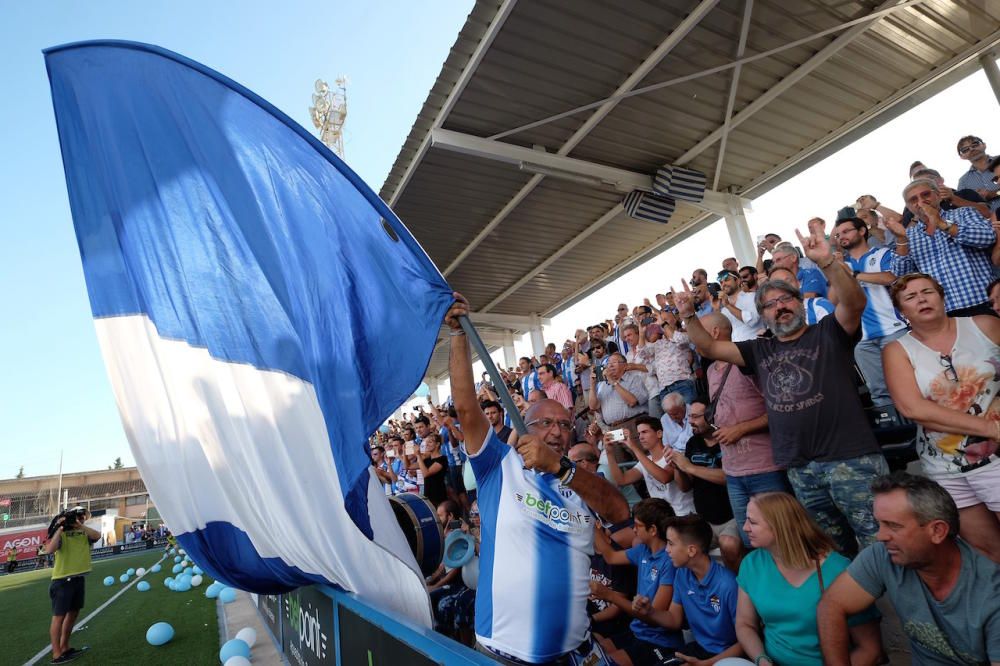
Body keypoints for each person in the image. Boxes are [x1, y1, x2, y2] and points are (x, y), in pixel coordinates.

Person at [676, 227, 888, 557]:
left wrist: (828, 262)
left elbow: (854, 302)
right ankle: (859, 609)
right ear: (763, 316)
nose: (779, 307)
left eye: (785, 299)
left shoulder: (827, 332)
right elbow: (707, 345)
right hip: (800, 469)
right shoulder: (759, 350)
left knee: (883, 544)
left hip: (851, 460)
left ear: (799, 301)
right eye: (770, 304)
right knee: (832, 553)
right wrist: (688, 315)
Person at [446, 292, 628, 664]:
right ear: (524, 429)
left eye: (564, 424)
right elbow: (466, 408)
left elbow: (619, 509)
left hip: (576, 653)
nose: (558, 432)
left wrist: (561, 468)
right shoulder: (498, 465)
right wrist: (458, 336)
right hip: (505, 653)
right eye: (546, 423)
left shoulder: (577, 479)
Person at [818, 472, 1000, 665]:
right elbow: (831, 605)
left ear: (937, 531)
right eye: (879, 523)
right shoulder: (884, 555)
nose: (880, 536)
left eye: (893, 526)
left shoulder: (991, 595)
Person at [882, 273, 1000, 561]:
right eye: (910, 297)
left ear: (942, 296)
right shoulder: (897, 350)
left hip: (997, 459)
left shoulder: (984, 325)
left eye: (928, 292)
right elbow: (913, 409)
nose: (921, 299)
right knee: (988, 551)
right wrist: (988, 427)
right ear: (901, 312)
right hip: (944, 467)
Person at [735, 493, 882, 666]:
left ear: (779, 526)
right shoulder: (751, 564)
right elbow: (745, 624)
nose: (744, 527)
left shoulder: (838, 570)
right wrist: (762, 659)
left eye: (752, 522)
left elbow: (870, 649)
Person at [698, 313, 787, 548]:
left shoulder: (747, 360)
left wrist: (741, 429)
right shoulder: (709, 371)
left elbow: (781, 407)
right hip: (733, 473)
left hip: (765, 468)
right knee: (751, 542)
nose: (693, 340)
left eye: (698, 333)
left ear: (715, 333)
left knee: (780, 539)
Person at [632, 515, 744, 663]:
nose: (666, 550)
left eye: (671, 544)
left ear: (691, 550)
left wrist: (707, 664)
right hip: (698, 649)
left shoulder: (728, 584)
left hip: (727, 656)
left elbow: (745, 642)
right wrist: (650, 612)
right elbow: (674, 619)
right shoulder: (682, 574)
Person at [590, 498, 684, 665]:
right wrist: (591, 525)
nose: (633, 530)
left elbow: (653, 615)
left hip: (658, 641)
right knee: (592, 654)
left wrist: (609, 595)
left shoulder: (669, 562)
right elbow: (611, 557)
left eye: (638, 525)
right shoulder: (642, 550)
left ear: (653, 530)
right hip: (636, 631)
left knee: (603, 663)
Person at [887, 178, 996, 317]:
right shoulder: (909, 234)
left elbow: (987, 237)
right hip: (944, 312)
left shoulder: (963, 213)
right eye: (913, 199)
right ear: (909, 207)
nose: (921, 201)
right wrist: (901, 239)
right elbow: (901, 274)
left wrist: (941, 223)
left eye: (925, 194)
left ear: (938, 196)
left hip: (983, 301)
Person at [831, 216, 908, 407]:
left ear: (862, 231)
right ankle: (897, 434)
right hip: (863, 340)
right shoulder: (842, 265)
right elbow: (833, 300)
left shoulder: (882, 254)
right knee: (879, 393)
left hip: (893, 329)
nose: (841, 237)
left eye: (846, 231)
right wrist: (835, 271)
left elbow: (892, 277)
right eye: (838, 235)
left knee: (910, 384)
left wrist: (854, 275)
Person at [669, 401, 744, 571]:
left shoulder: (726, 440)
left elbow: (729, 475)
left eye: (695, 416)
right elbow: (685, 487)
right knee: (679, 548)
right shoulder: (692, 443)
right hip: (704, 519)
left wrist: (690, 467)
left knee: (729, 544)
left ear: (711, 417)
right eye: (689, 416)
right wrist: (678, 469)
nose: (690, 421)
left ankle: (737, 590)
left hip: (731, 516)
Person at [602, 415, 694, 517]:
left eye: (644, 432)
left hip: (684, 515)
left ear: (659, 434)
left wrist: (633, 447)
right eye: (639, 433)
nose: (640, 437)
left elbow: (664, 477)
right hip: (662, 518)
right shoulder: (645, 461)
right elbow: (621, 480)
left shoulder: (673, 454)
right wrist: (609, 453)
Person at [46, 507, 100, 664]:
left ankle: (65, 647)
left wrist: (80, 526)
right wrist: (60, 528)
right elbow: (49, 549)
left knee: (73, 614)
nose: (81, 518)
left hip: (78, 579)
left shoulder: (84, 532)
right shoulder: (61, 532)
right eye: (78, 516)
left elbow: (97, 536)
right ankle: (57, 654)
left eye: (83, 517)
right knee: (59, 618)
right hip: (62, 581)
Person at [588, 352, 648, 438]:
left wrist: (613, 382)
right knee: (615, 451)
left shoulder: (634, 379)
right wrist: (592, 385)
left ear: (625, 366)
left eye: (614, 362)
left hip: (632, 424)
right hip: (613, 429)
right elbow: (593, 406)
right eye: (608, 363)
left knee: (637, 449)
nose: (610, 365)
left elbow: (632, 402)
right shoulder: (603, 385)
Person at [956, 135, 1000, 213]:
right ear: (962, 156)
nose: (971, 149)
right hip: (988, 223)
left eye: (975, 144)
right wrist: (977, 199)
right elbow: (964, 206)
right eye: (965, 149)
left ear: (984, 145)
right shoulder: (963, 181)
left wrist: (995, 193)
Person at [715, 270, 761, 342]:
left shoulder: (752, 297)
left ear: (738, 281)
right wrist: (716, 309)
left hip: (757, 346)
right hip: (736, 350)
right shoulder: (724, 309)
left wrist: (728, 305)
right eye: (721, 282)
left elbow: (753, 321)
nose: (723, 284)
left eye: (726, 280)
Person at [417, 432, 449, 507]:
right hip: (428, 496)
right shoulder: (427, 460)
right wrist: (403, 452)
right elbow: (407, 466)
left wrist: (418, 455)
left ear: (437, 444)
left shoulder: (442, 459)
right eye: (426, 443)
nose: (427, 445)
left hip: (438, 496)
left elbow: (426, 474)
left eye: (430, 442)